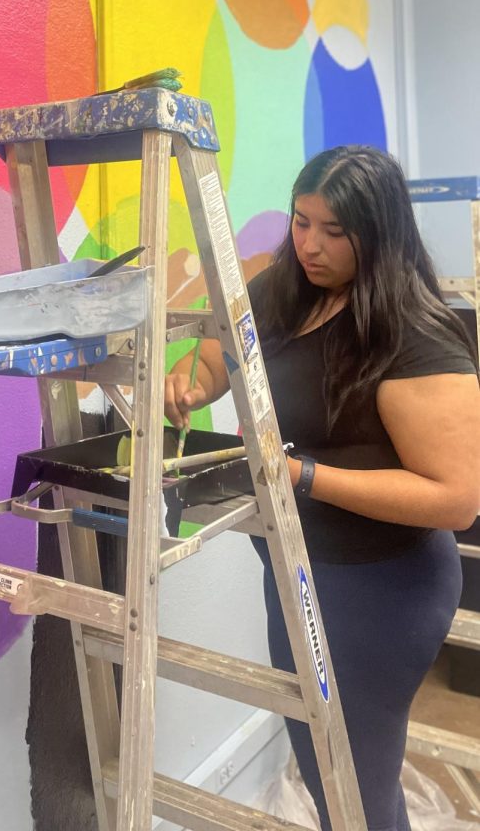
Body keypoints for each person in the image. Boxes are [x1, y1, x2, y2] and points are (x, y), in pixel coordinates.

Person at [164, 145, 480, 831]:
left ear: (380, 233)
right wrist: (191, 384)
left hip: (384, 588)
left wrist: (304, 474)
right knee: (322, 763)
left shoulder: (416, 333)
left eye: (334, 232)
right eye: (301, 222)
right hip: (299, 569)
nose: (310, 245)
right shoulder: (286, 289)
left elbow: (458, 498)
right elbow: (228, 351)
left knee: (355, 788)